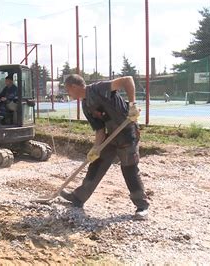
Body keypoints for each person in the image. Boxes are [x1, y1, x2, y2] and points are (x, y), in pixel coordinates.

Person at [61, 74, 150, 220]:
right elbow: (100, 130)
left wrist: (132, 105)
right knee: (96, 163)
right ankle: (78, 197)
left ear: (74, 87)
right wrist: (95, 148)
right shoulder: (86, 105)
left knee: (129, 168)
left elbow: (127, 80)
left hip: (127, 131)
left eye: (68, 90)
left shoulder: (99, 88)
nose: (68, 94)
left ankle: (142, 206)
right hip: (111, 135)